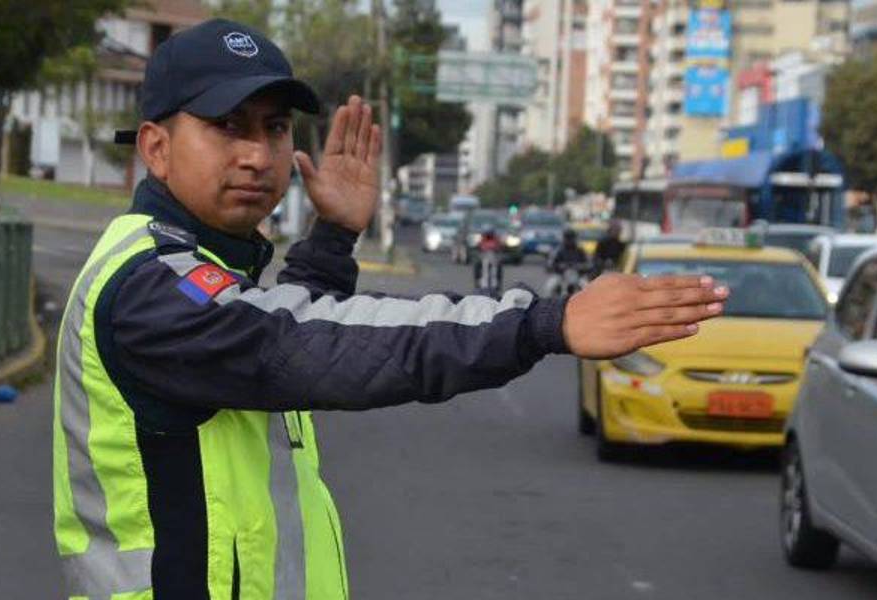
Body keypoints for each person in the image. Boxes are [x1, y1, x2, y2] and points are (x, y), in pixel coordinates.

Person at [53, 19, 729, 599]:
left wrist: (335, 239)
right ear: (156, 148)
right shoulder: (147, 285)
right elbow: (298, 347)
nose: (258, 154)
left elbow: (277, 342)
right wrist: (540, 324)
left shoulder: (210, 270)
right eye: (227, 127)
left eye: (276, 127)